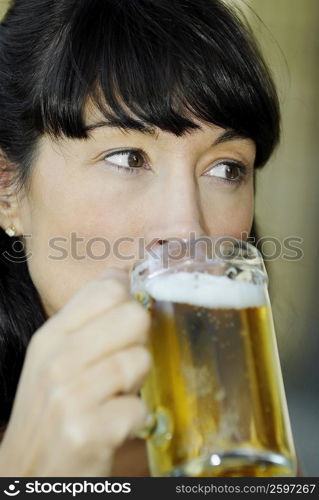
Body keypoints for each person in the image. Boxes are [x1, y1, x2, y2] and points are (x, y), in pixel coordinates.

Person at [0, 0, 291, 476]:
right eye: (129, 158)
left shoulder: (247, 454)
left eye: (225, 168)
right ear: (7, 187)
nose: (187, 229)